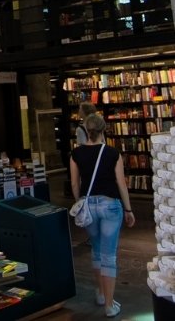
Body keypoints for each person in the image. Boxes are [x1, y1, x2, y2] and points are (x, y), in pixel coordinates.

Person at [70, 112, 135, 318]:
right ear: (103, 129)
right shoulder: (112, 153)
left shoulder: (76, 154)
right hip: (110, 207)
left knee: (96, 251)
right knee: (109, 255)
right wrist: (128, 209)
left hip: (88, 206)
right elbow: (121, 183)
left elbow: (74, 183)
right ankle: (109, 305)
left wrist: (80, 201)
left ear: (86, 130)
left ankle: (100, 294)